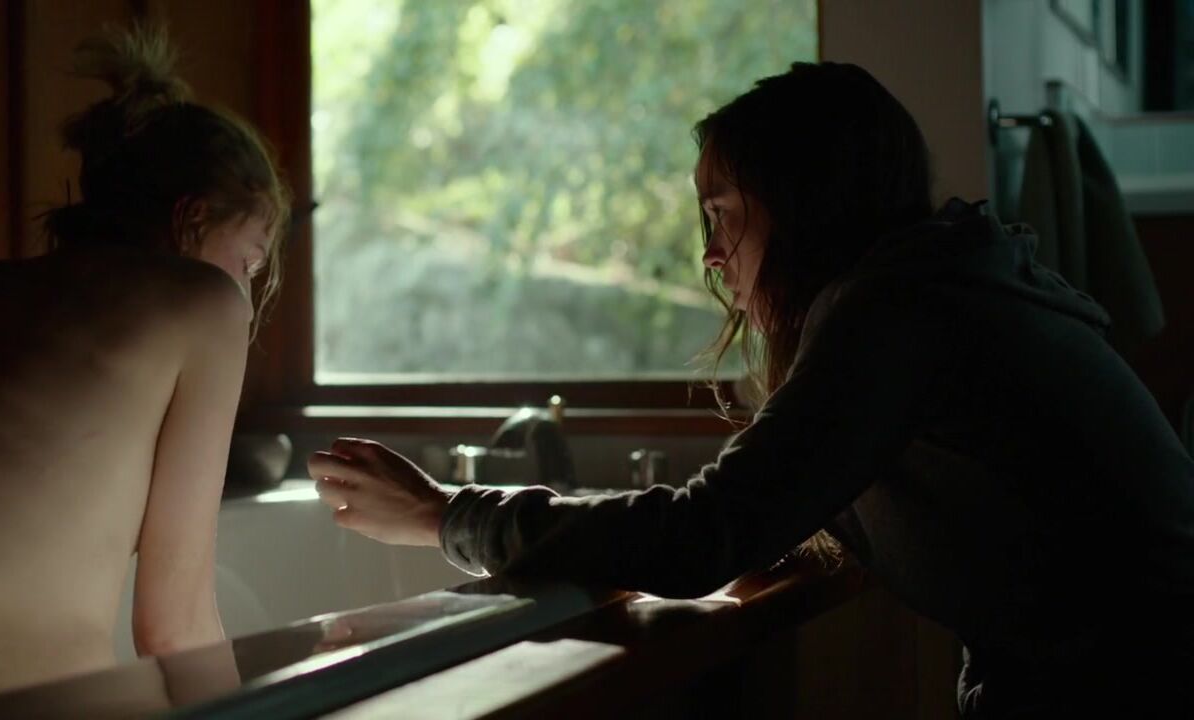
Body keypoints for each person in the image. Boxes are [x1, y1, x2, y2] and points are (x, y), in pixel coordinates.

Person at [307, 62, 1194, 718]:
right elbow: (755, 510)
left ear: (801, 202)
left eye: (721, 214)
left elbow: (704, 534)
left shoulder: (897, 307)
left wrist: (443, 515)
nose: (709, 255)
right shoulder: (939, 286)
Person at [0, 27, 288, 712]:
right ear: (191, 218)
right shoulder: (203, 302)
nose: (246, 293)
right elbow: (174, 628)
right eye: (249, 261)